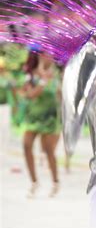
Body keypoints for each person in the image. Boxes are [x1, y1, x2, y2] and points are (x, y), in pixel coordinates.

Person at [21, 50, 61, 197]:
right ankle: (34, 182)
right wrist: (43, 81)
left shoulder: (56, 74)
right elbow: (30, 94)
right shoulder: (30, 74)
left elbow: (60, 95)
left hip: (50, 117)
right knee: (26, 145)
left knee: (48, 151)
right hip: (33, 117)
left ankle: (55, 182)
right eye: (43, 53)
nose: (46, 56)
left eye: (49, 53)